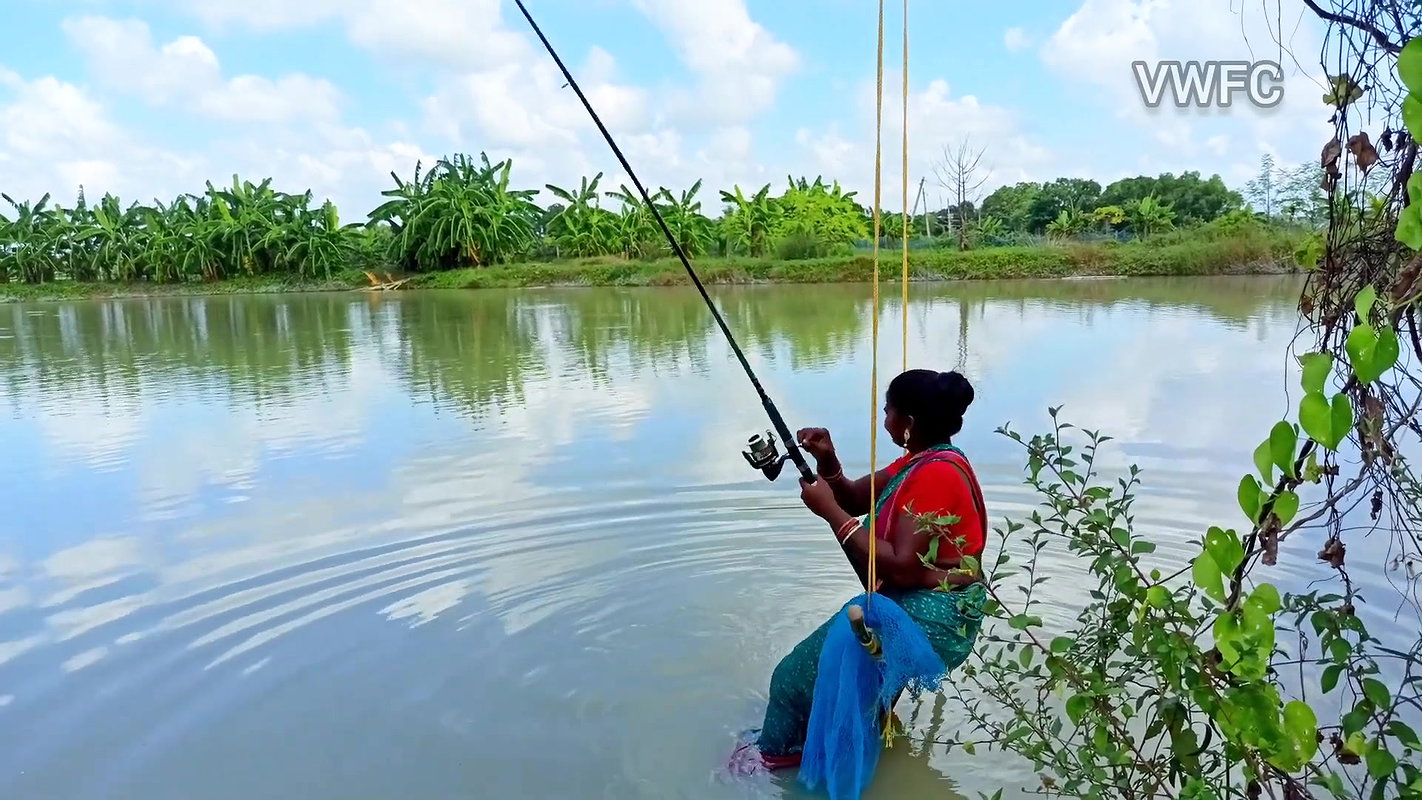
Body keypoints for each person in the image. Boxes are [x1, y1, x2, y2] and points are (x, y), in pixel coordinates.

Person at [749, 368, 990, 770]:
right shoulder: (924, 460)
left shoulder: (936, 474)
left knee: (790, 680)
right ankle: (855, 732)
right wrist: (827, 460)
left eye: (888, 411)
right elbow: (855, 497)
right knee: (853, 681)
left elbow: (901, 569)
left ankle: (773, 760)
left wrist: (831, 513)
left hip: (933, 615)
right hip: (920, 602)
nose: (884, 419)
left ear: (908, 422)